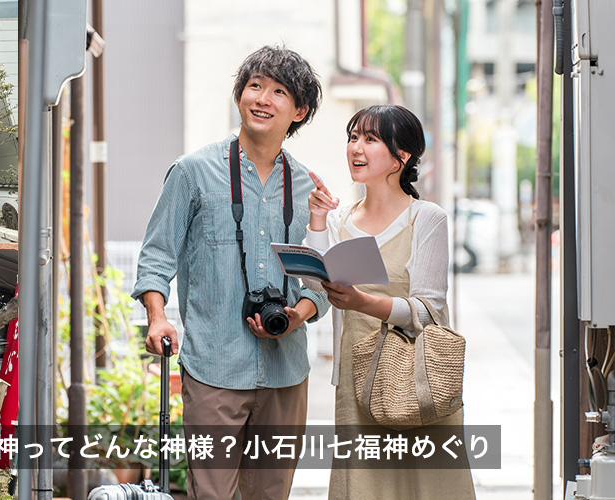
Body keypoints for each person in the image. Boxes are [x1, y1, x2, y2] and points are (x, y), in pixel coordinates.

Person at [132, 45, 330, 500]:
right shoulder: (192, 172)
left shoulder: (307, 187)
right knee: (213, 494)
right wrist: (157, 316)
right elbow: (157, 255)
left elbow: (318, 280)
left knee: (271, 494)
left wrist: (298, 314)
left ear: (299, 110)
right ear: (239, 94)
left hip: (286, 371)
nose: (262, 98)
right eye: (254, 86)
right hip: (213, 367)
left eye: (279, 91)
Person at [304, 104, 475, 499]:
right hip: (357, 378)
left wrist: (362, 301)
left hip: (417, 377)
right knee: (363, 488)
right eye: (352, 137)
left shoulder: (426, 218)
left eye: (370, 139)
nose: (355, 148)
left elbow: (428, 312)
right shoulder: (338, 220)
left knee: (427, 488)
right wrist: (316, 219)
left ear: (402, 157)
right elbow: (316, 286)